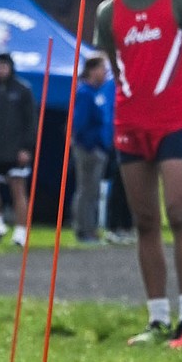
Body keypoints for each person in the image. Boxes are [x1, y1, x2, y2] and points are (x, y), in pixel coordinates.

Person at [95, 0, 182, 348]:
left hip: (174, 124)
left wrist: (177, 101)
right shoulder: (108, 12)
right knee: (145, 221)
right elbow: (116, 65)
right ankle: (157, 318)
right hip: (129, 125)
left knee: (179, 213)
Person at [0, 53, 36, 248]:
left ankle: (21, 231)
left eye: (3, 66)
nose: (0, 70)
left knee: (18, 190)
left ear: (10, 68)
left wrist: (26, 147)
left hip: (16, 151)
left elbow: (31, 123)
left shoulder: (23, 91)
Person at [71, 54, 115, 245]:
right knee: (86, 190)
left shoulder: (97, 92)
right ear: (92, 70)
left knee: (93, 191)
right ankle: (84, 230)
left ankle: (90, 228)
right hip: (88, 150)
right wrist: (90, 146)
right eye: (102, 69)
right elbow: (78, 123)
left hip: (98, 149)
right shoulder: (85, 93)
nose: (105, 74)